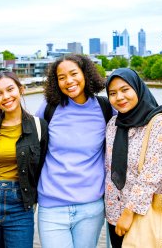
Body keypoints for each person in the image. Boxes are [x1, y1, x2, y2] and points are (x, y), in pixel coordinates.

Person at [35, 54, 111, 248]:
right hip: (52, 206)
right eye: (61, 77)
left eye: (73, 74)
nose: (68, 81)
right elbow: (28, 140)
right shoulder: (49, 108)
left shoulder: (105, 108)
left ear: (85, 74)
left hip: (91, 207)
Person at [0, 71, 48, 247]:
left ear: (21, 90)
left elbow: (41, 165)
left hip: (20, 203)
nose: (5, 97)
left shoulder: (38, 127)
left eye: (10, 89)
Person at [104, 68, 162, 247]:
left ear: (138, 88)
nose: (119, 97)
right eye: (112, 93)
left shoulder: (158, 121)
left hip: (146, 214)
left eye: (125, 89)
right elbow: (110, 167)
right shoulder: (113, 124)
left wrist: (129, 212)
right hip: (115, 215)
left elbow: (152, 174)